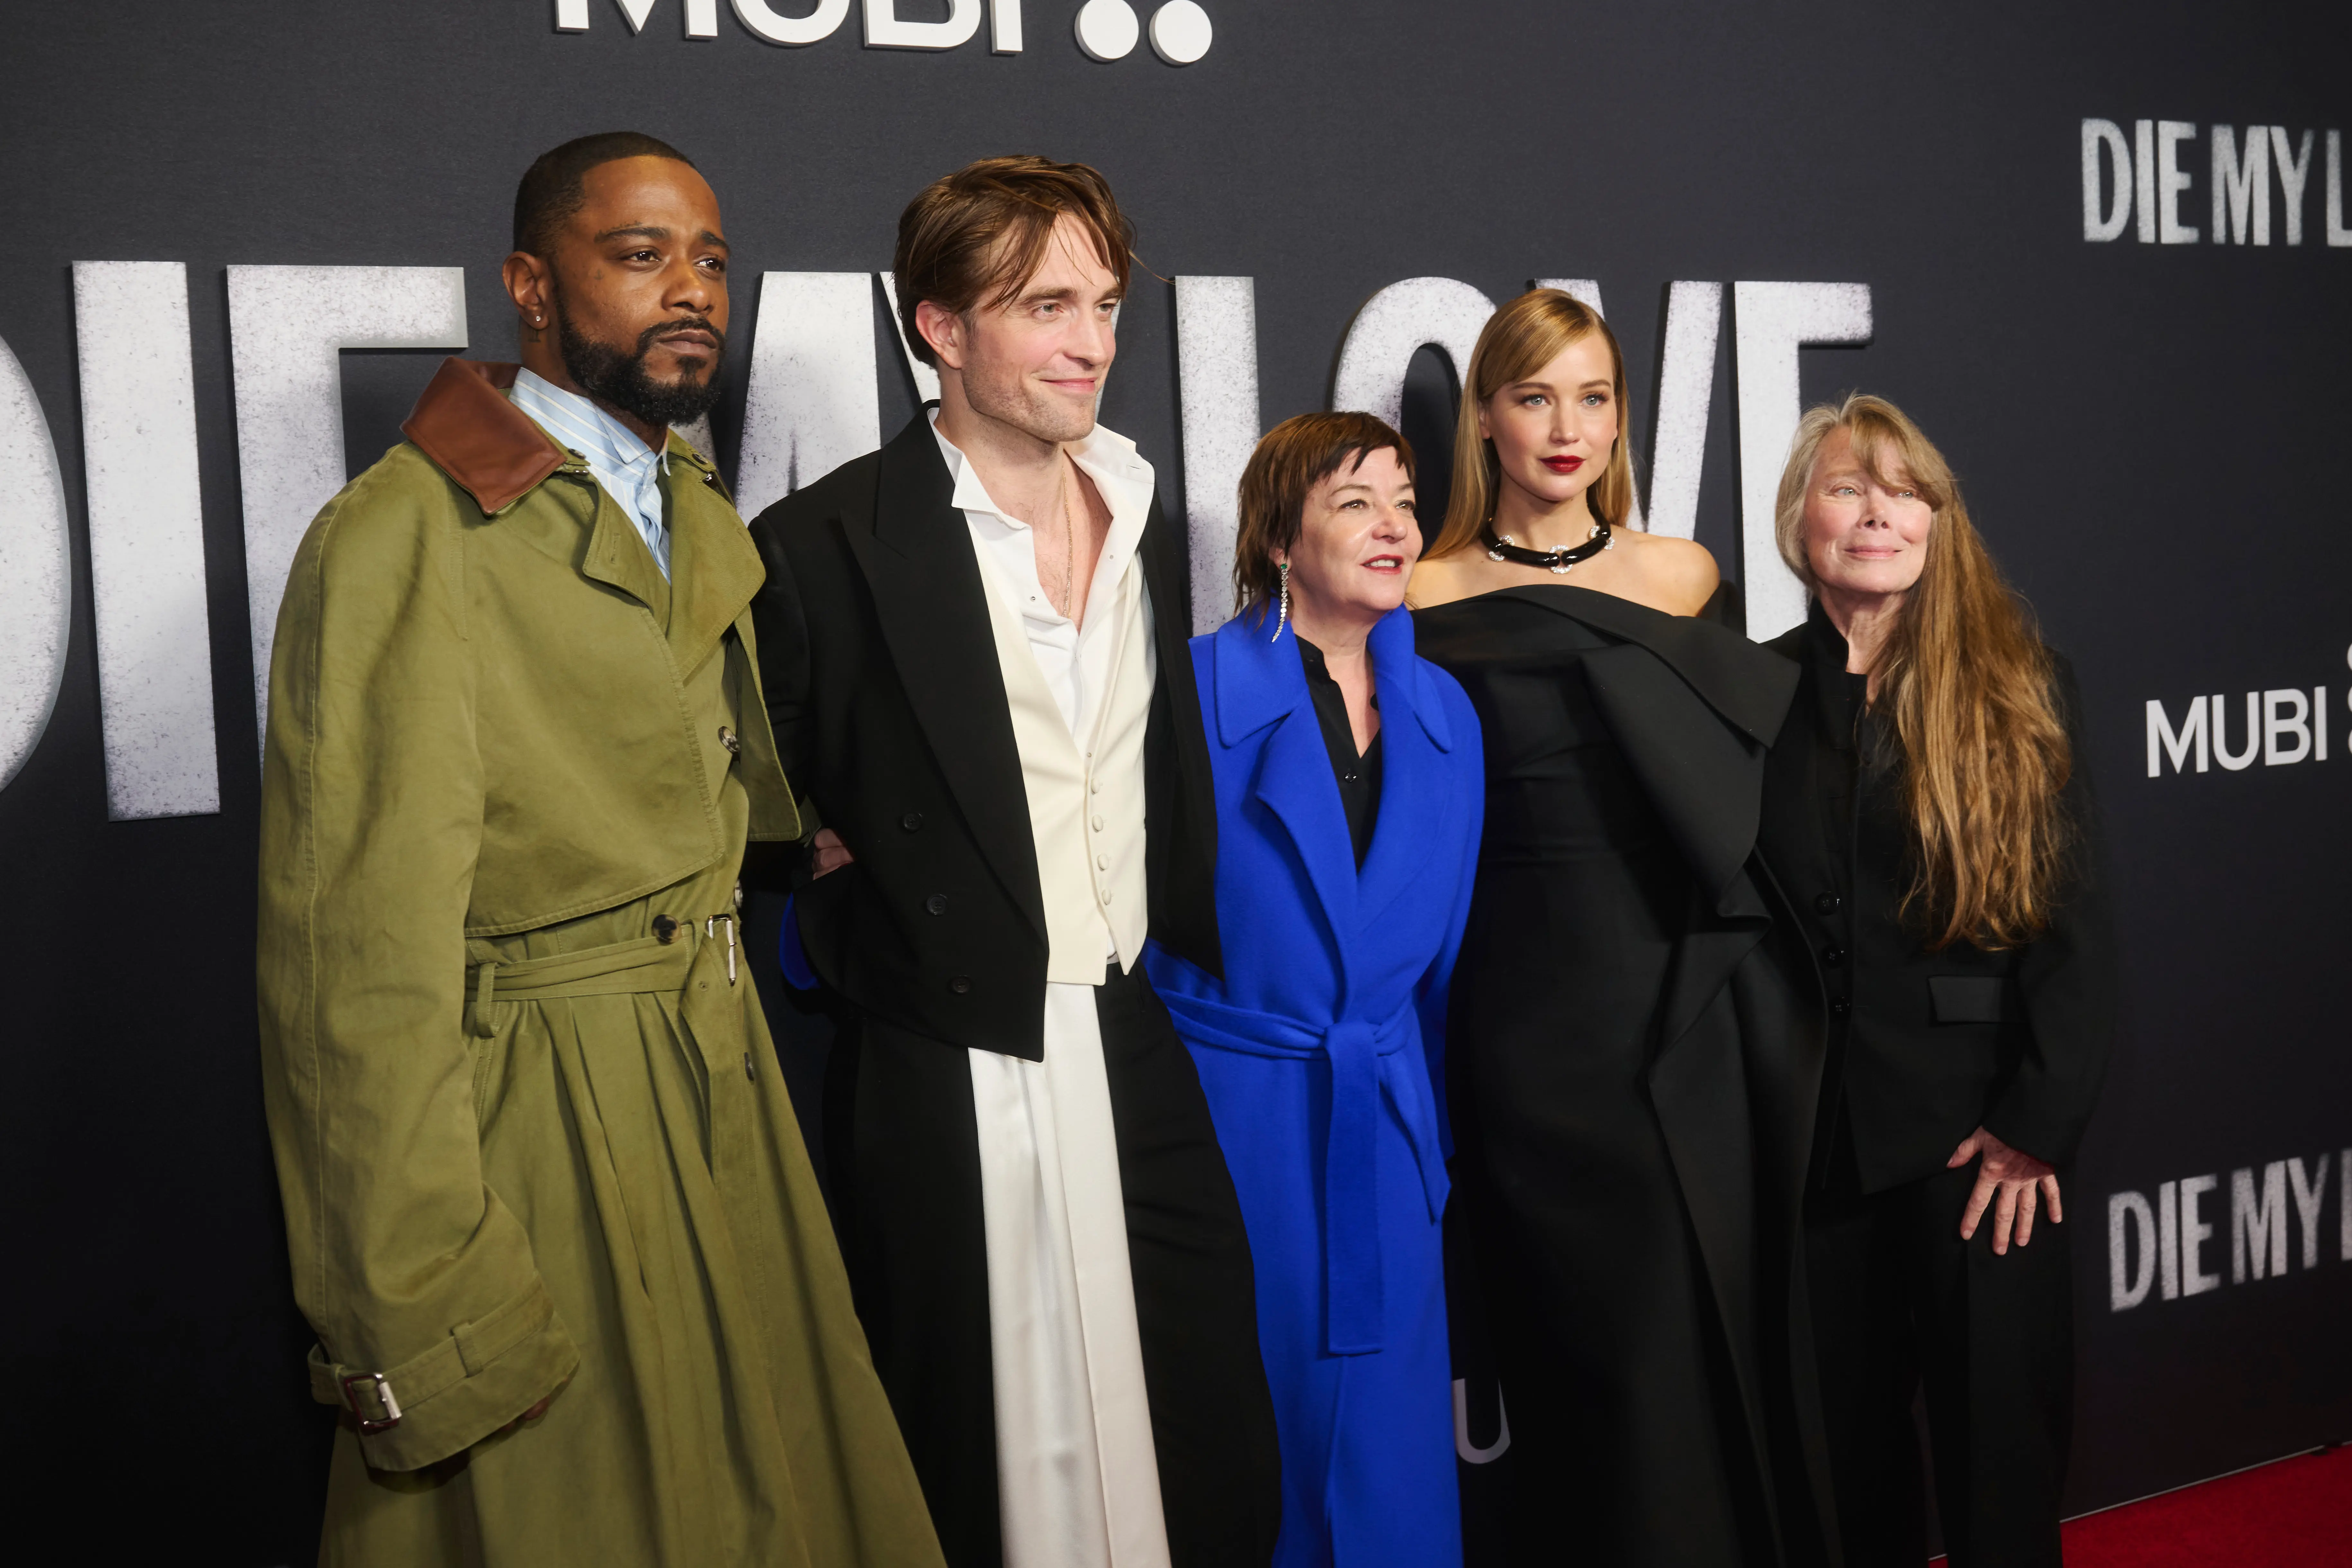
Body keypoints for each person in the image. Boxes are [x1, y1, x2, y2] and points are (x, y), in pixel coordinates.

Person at [253, 133, 943, 1566]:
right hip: (540, 1135)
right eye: (638, 256)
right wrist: (417, 1304)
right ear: (529, 286)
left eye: (709, 259)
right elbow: (351, 972)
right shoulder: (403, 536)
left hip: (723, 1095)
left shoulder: (687, 508)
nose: (690, 290)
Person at [746, 156, 1282, 1568]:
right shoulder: (822, 546)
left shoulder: (1138, 507)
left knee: (1206, 1435)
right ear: (939, 325)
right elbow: (744, 814)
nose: (1091, 341)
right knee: (969, 1461)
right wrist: (827, 871)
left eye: (1104, 304)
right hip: (942, 1057)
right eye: (1045, 304)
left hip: (1126, 1023)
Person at [1408, 288, 1831, 1565]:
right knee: (1569, 1341)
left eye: (1594, 396)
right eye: (1536, 395)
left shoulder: (1681, 571)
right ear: (1486, 416)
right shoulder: (1420, 591)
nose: (1566, 425)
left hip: (1683, 992)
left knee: (1686, 1328)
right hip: (1526, 1008)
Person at [1760, 394, 2113, 1568]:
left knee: (1997, 1463)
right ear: (1798, 516)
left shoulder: (2021, 682)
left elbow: (2076, 934)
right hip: (1811, 1155)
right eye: (1850, 487)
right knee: (1842, 1474)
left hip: (1977, 1151)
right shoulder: (1749, 696)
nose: (1878, 514)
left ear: (1939, 522)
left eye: (1906, 491)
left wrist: (2032, 1129)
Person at [1143, 413, 1483, 1568]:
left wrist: (1428, 1153)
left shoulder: (1449, 719)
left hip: (1382, 1144)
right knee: (1254, 1457)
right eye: (1354, 502)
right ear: (1280, 539)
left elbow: (1443, 980)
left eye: (1403, 499)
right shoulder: (1178, 697)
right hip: (1229, 1138)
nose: (1394, 525)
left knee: (1390, 1472)